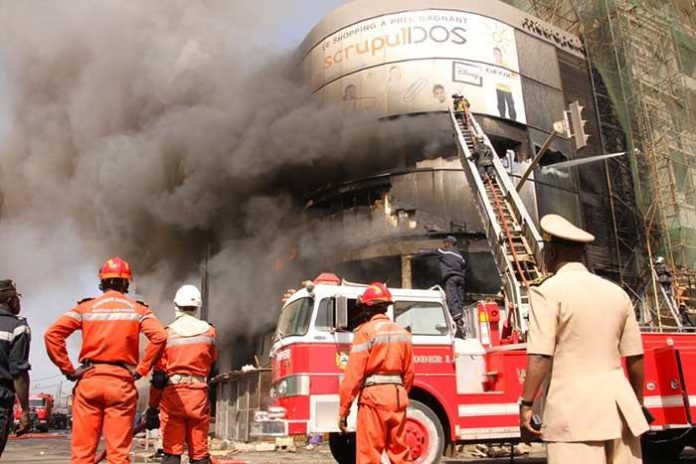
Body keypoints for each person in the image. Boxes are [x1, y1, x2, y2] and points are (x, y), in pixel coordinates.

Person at [519, 214, 648, 464]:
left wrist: (526, 404)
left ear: (552, 253)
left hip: (573, 414)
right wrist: (637, 404)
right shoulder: (616, 293)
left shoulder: (546, 291)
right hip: (620, 410)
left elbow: (540, 355)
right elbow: (635, 357)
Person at [45, 257, 167, 464]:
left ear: (101, 282)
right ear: (126, 283)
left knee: (82, 455)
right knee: (118, 455)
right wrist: (141, 370)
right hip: (121, 384)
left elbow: (52, 334)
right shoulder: (138, 310)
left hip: (89, 382)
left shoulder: (85, 308)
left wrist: (69, 370)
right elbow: (160, 336)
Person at [337, 283, 414, 464]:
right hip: (397, 397)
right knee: (400, 453)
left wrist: (343, 410)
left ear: (367, 308)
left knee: (368, 455)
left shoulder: (365, 333)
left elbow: (353, 376)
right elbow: (410, 373)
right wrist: (401, 394)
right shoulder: (403, 333)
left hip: (373, 400)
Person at [146, 285, 217, 464]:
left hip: (174, 398)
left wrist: (153, 408)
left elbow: (159, 378)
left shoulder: (166, 334)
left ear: (176, 306)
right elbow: (212, 361)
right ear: (197, 307)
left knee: (172, 454)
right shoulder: (209, 332)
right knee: (200, 455)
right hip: (198, 395)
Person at [0, 280, 32, 456]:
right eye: (18, 298)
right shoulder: (18, 327)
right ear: (11, 300)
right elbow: (19, 372)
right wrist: (25, 411)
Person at [413, 237, 467, 336]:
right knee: (459, 299)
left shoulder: (444, 251)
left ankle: (457, 319)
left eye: (445, 242)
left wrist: (418, 253)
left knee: (451, 297)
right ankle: (459, 318)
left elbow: (430, 253)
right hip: (461, 279)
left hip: (451, 278)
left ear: (449, 243)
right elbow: (464, 267)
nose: (443, 244)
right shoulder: (460, 256)